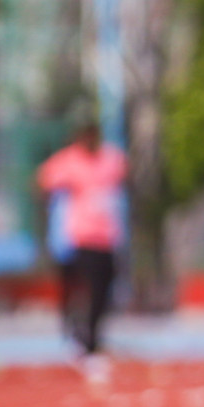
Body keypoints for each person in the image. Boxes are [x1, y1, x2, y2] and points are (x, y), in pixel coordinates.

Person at [37, 120, 126, 372]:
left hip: (108, 237)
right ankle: (80, 340)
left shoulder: (111, 159)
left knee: (104, 292)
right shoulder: (68, 161)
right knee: (81, 291)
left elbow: (122, 183)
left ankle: (92, 339)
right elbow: (42, 183)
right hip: (80, 238)